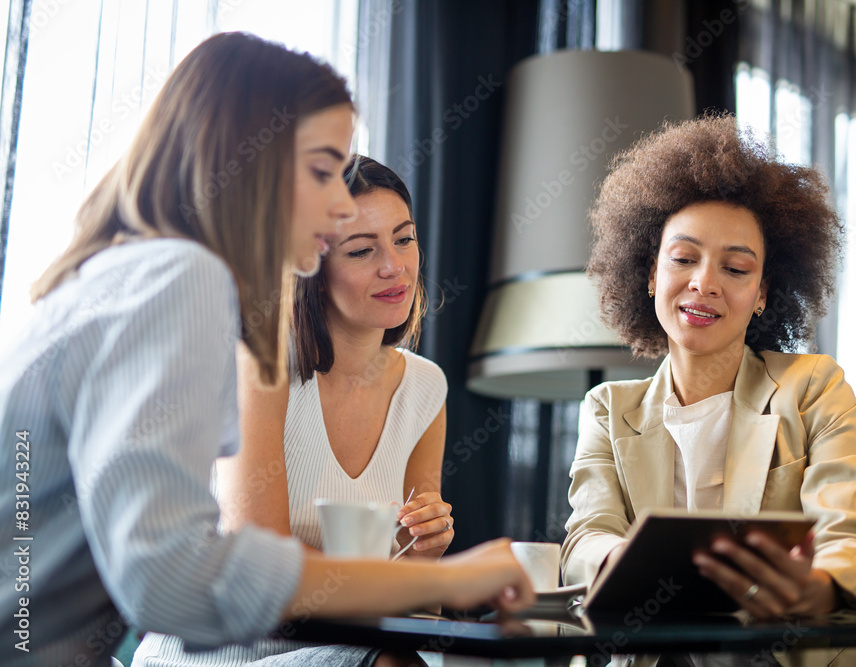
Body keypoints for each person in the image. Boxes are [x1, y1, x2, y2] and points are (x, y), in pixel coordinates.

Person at [0, 32, 531, 667]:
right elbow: (170, 584)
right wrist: (446, 580)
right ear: (243, 162)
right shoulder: (181, 279)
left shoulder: (117, 275)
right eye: (320, 172)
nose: (339, 207)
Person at [560, 116, 856, 666]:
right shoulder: (608, 409)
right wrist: (626, 561)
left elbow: (851, 533)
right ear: (649, 274)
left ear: (763, 294)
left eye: (736, 268)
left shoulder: (813, 388)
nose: (704, 283)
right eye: (684, 258)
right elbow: (585, 540)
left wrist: (822, 587)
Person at [135, 156, 454, 666]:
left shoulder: (425, 388)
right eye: (361, 250)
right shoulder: (260, 366)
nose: (394, 266)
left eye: (404, 238)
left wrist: (422, 554)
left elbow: (409, 603)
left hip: (350, 646)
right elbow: (262, 575)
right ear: (311, 265)